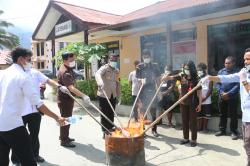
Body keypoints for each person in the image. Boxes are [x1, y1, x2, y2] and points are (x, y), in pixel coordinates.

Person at [0, 47, 65, 166]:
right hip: (13, 124)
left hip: (2, 123)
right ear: (20, 59)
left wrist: (60, 87)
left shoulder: (3, 73)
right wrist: (57, 117)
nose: (30, 63)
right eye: (29, 60)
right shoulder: (23, 77)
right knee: (28, 159)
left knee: (2, 159)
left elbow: (48, 81)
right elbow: (38, 104)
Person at [201, 48, 250, 166]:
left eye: (248, 59)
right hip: (246, 116)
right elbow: (226, 78)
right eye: (245, 59)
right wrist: (209, 78)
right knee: (246, 143)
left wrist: (243, 81)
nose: (246, 62)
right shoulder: (244, 73)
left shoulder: (243, 75)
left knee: (248, 143)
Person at [162, 61, 202, 147]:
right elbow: (172, 77)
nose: (185, 70)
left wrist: (200, 104)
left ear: (191, 69)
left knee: (193, 122)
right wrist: (166, 78)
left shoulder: (197, 78)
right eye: (184, 68)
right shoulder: (182, 76)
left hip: (193, 103)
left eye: (187, 68)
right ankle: (186, 138)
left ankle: (193, 139)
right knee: (184, 120)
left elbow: (199, 92)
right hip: (183, 102)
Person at [57, 52, 90, 147]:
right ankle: (64, 140)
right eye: (71, 60)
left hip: (67, 99)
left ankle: (64, 136)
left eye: (73, 60)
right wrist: (83, 96)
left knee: (68, 119)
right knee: (65, 119)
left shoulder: (67, 68)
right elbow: (71, 88)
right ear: (65, 60)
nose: (73, 61)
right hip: (65, 100)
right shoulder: (65, 72)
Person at [136, 50, 161, 137]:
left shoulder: (155, 66)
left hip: (152, 90)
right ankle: (142, 130)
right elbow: (137, 79)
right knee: (142, 112)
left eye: (147, 57)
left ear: (150, 57)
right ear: (142, 57)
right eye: (144, 57)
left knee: (153, 111)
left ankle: (154, 130)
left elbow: (158, 78)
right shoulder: (139, 67)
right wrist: (140, 80)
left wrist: (159, 91)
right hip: (142, 91)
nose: (146, 58)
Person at [95, 54, 121, 139]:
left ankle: (110, 127)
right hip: (104, 95)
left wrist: (118, 95)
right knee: (104, 113)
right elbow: (97, 74)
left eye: (115, 60)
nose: (114, 61)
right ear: (109, 60)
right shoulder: (104, 68)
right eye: (112, 60)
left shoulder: (117, 70)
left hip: (112, 95)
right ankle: (105, 131)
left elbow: (118, 83)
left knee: (111, 112)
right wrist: (100, 82)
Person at [214, 56, 240, 140]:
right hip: (222, 96)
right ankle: (222, 130)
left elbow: (238, 85)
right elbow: (217, 84)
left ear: (233, 63)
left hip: (232, 97)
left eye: (228, 63)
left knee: (233, 115)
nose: (226, 65)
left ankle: (234, 132)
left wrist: (228, 93)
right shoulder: (221, 72)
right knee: (222, 114)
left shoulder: (237, 72)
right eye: (225, 63)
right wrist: (222, 93)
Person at [197, 63, 213, 132]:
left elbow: (210, 89)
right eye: (198, 70)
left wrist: (205, 98)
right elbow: (196, 89)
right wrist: (199, 98)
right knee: (199, 114)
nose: (199, 71)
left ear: (205, 70)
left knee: (206, 115)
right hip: (199, 100)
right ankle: (199, 127)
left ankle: (205, 128)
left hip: (207, 100)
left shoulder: (210, 77)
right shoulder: (198, 78)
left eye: (200, 70)